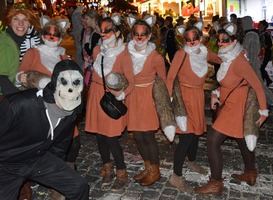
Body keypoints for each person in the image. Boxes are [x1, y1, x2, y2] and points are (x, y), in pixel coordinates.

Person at [194, 22, 268, 195]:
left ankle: (215, 182)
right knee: (241, 138)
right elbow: (228, 79)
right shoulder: (228, 56)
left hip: (236, 106)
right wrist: (215, 94)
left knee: (212, 141)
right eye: (219, 40)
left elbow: (257, 85)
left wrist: (264, 111)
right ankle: (250, 173)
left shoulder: (239, 61)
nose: (220, 44)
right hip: (231, 101)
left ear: (235, 41)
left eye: (225, 40)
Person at [0, 59, 89, 199]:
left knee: (79, 186)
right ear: (55, 84)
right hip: (6, 163)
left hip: (37, 158)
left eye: (76, 83)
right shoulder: (19, 104)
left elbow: (60, 145)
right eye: (64, 82)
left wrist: (55, 175)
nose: (70, 89)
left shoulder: (71, 112)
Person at [166, 20, 221, 193]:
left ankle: (192, 161)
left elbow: (223, 57)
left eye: (195, 38)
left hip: (197, 95)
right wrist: (169, 99)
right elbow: (170, 77)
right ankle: (176, 177)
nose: (192, 42)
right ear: (183, 40)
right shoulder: (181, 54)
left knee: (197, 133)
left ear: (200, 37)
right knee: (186, 137)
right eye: (188, 39)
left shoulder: (204, 52)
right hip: (184, 97)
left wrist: (238, 52)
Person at [84, 14, 134, 192]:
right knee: (99, 135)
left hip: (112, 98)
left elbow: (131, 81)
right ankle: (107, 169)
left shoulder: (124, 55)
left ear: (118, 32)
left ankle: (122, 173)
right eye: (102, 30)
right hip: (96, 94)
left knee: (111, 138)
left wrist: (122, 94)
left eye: (108, 30)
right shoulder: (97, 51)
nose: (104, 34)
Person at [126, 14, 166, 186]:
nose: (140, 37)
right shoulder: (127, 53)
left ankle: (155, 171)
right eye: (136, 34)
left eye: (143, 34)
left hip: (147, 99)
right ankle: (147, 166)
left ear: (149, 35)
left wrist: (164, 104)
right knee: (137, 136)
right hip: (132, 98)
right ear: (132, 35)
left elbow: (164, 81)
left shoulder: (155, 57)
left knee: (148, 137)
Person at [17, 15, 70, 89]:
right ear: (42, 36)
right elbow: (21, 71)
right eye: (48, 34)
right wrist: (20, 77)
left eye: (55, 35)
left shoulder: (63, 56)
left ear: (60, 39)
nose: (51, 37)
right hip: (36, 96)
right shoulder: (33, 52)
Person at [0, 2, 41, 95]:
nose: (21, 23)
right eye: (16, 19)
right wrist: (19, 98)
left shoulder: (17, 42)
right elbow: (1, 78)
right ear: (9, 22)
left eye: (25, 20)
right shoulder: (6, 43)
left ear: (30, 23)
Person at [241, 16, 273, 105]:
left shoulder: (252, 35)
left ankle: (270, 101)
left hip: (253, 64)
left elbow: (254, 51)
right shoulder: (249, 34)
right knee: (257, 85)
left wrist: (251, 63)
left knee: (260, 85)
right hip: (250, 64)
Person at [81, 9, 101, 88]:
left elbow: (92, 51)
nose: (84, 21)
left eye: (86, 19)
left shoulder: (96, 33)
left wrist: (86, 45)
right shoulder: (93, 31)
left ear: (93, 19)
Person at [66, 1, 84, 68]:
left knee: (79, 61)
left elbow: (79, 29)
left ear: (71, 8)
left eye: (67, 9)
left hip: (80, 42)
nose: (67, 11)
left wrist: (71, 33)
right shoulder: (77, 14)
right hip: (80, 41)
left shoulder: (75, 16)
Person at [258, 19, 273, 87]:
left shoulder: (266, 33)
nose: (258, 26)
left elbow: (269, 44)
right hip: (263, 53)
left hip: (266, 53)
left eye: (260, 25)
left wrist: (263, 48)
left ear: (263, 26)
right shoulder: (261, 33)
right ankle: (267, 80)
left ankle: (266, 80)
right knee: (261, 67)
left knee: (261, 67)